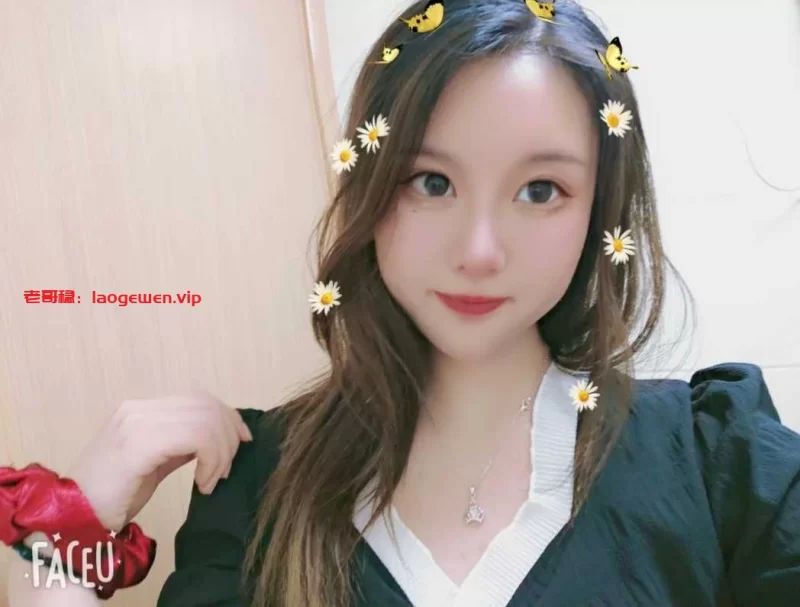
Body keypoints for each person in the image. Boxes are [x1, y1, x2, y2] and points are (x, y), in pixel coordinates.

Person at [4, 0, 800, 605]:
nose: (479, 249)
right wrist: (66, 525)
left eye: (540, 190)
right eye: (432, 181)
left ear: (600, 211)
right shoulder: (256, 486)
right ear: (372, 189)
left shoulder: (716, 461)